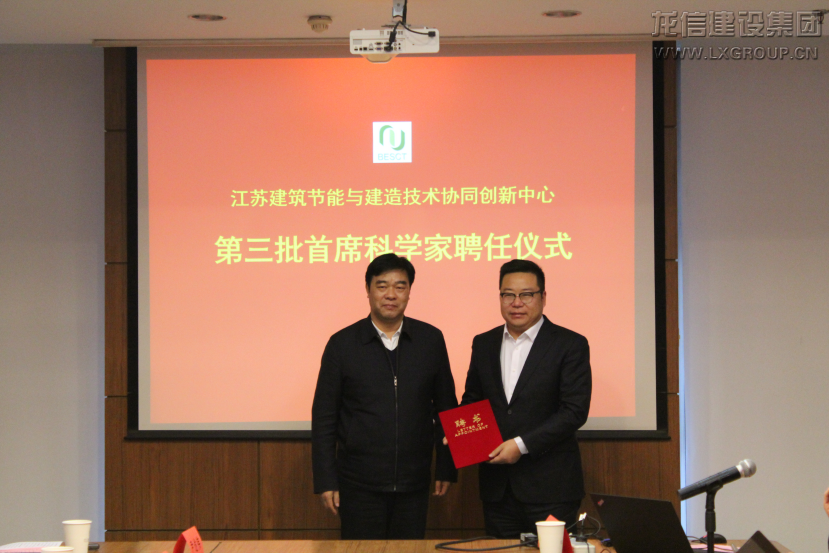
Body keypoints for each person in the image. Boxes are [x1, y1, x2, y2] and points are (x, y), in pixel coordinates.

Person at [311, 253, 458, 539]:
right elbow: (324, 417)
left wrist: (446, 467)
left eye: (400, 286)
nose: (391, 294)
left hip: (414, 482)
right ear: (368, 290)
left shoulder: (430, 340)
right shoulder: (342, 344)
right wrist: (326, 479)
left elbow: (446, 407)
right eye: (382, 286)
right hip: (358, 484)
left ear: (409, 292)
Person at [460, 259, 592, 538]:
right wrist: (460, 432)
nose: (516, 303)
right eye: (508, 294)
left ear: (543, 297)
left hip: (551, 489)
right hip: (497, 490)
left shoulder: (570, 344)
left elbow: (574, 411)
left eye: (526, 294)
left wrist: (521, 446)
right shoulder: (483, 343)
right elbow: (473, 400)